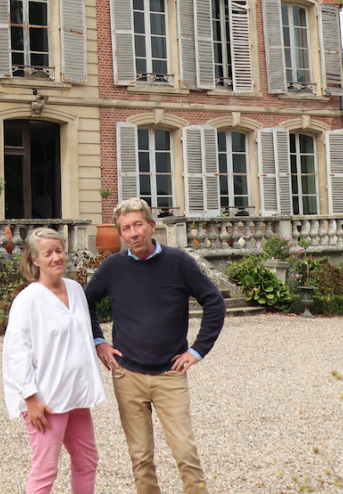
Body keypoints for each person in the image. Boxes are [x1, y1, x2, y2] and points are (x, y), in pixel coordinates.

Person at [85, 198, 226, 494]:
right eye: (126, 228)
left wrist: (197, 350)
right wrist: (99, 342)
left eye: (138, 225)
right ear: (120, 234)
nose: (133, 233)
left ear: (151, 226)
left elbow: (214, 302)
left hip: (169, 376)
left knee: (185, 454)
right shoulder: (112, 267)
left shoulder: (178, 262)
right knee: (141, 458)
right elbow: (85, 304)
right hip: (128, 376)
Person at [2, 226, 106, 494]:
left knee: (87, 460)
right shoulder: (27, 300)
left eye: (59, 250)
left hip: (76, 396)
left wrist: (100, 344)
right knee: (45, 468)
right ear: (34, 260)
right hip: (46, 400)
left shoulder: (75, 290)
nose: (56, 257)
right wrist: (30, 397)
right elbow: (17, 350)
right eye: (48, 253)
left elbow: (83, 333)